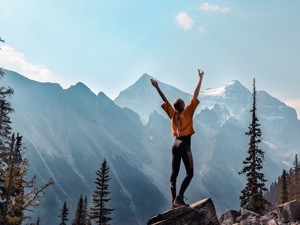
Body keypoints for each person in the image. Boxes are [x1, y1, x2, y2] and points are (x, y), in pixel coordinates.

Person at [150, 69, 204, 208]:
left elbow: (164, 99)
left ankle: (173, 202)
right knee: (190, 173)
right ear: (182, 105)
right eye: (182, 102)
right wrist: (200, 78)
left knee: (174, 174)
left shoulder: (172, 114)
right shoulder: (188, 112)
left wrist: (157, 87)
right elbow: (196, 94)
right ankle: (179, 198)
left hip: (175, 145)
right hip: (185, 144)